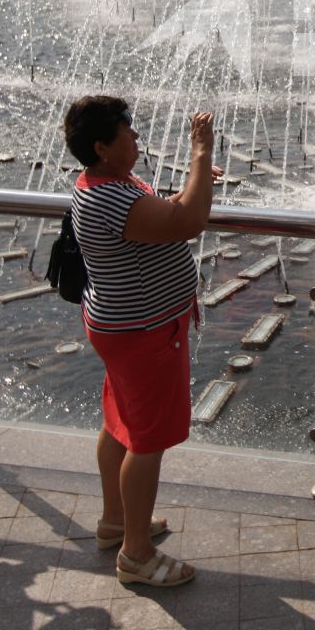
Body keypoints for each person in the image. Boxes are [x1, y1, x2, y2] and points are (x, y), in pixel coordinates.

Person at [63, 96, 219, 588]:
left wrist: (192, 190)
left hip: (123, 325)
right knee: (147, 440)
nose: (137, 138)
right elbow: (188, 223)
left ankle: (116, 521)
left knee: (121, 425)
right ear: (102, 147)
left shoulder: (105, 182)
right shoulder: (109, 194)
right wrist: (200, 154)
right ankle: (136, 555)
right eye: (128, 132)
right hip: (145, 333)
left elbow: (159, 214)